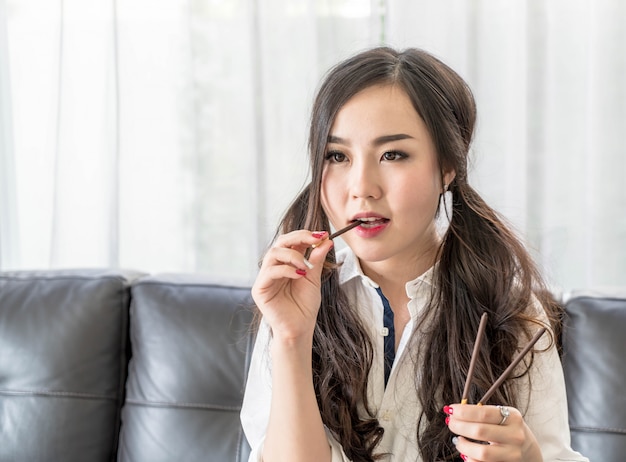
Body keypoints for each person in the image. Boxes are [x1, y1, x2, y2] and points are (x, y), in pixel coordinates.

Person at [240, 47, 588, 462]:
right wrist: (292, 338)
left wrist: (528, 457)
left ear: (447, 168)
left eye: (393, 155)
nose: (361, 187)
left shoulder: (511, 311)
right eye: (337, 156)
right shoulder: (292, 300)